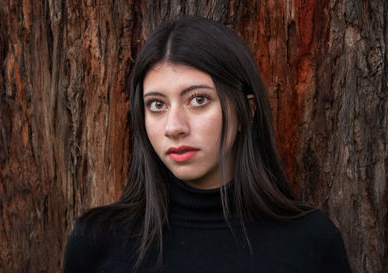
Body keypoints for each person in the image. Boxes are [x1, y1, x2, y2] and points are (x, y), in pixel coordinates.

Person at [62, 16, 352, 273]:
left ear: (247, 111)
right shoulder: (97, 241)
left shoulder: (311, 242)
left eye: (198, 100)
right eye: (157, 105)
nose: (174, 127)